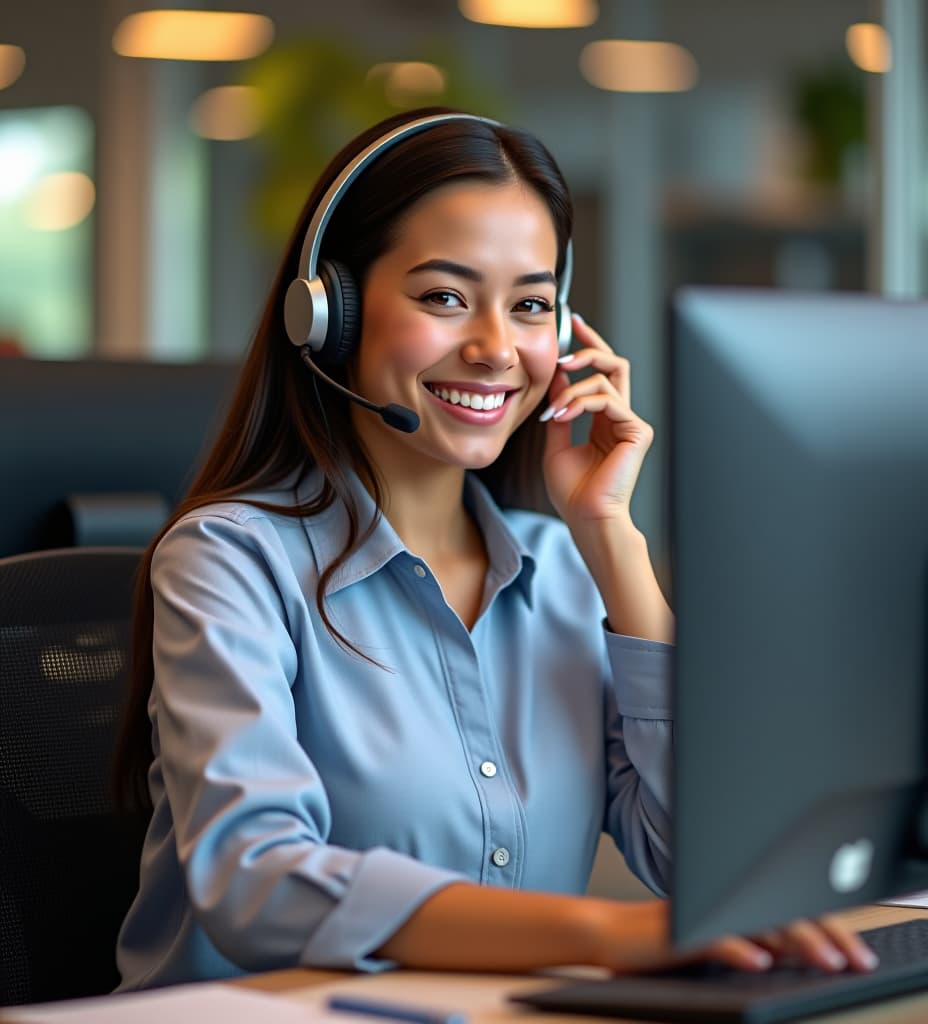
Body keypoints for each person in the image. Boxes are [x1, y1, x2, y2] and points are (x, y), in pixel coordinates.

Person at [113, 107, 876, 990]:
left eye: (530, 306)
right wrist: (607, 932)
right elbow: (257, 881)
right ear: (331, 314)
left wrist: (612, 539)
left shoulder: (562, 574)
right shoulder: (231, 562)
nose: (493, 349)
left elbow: (706, 865)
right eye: (444, 296)